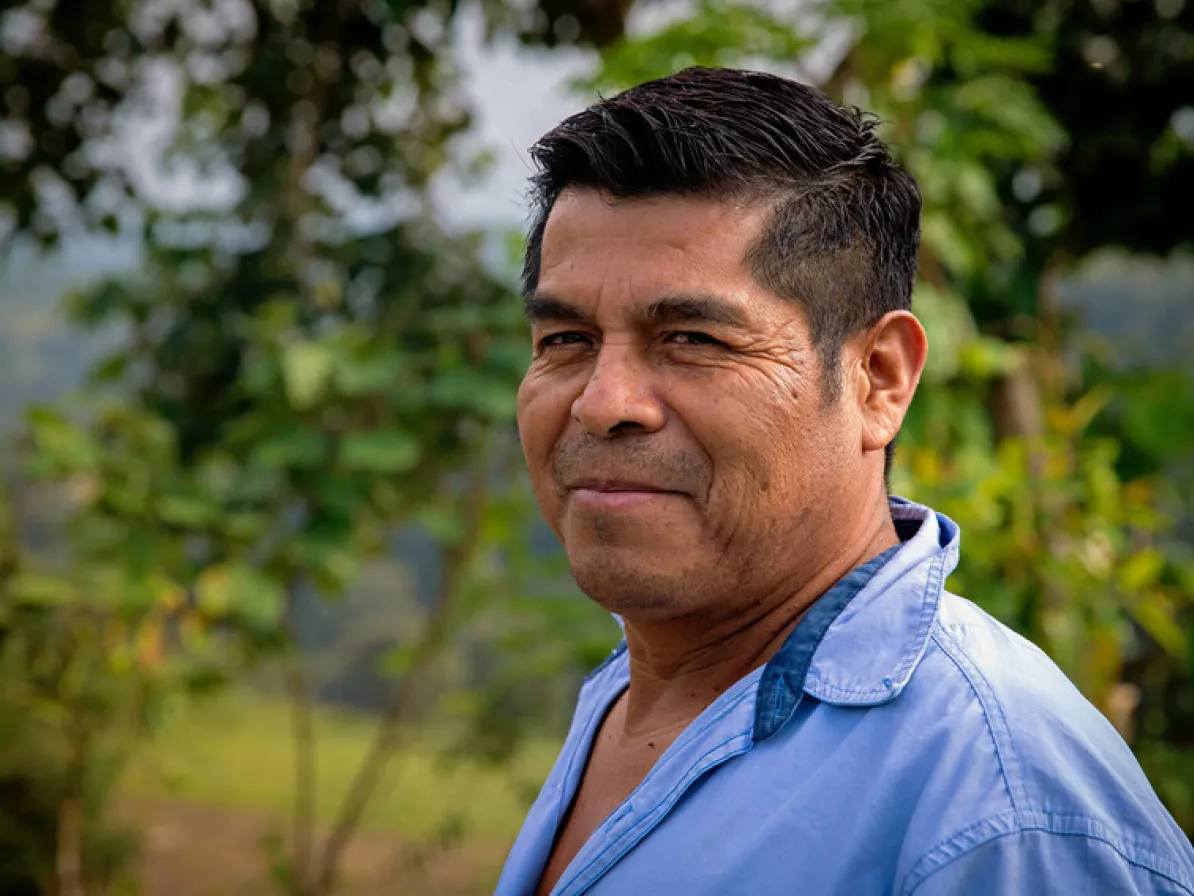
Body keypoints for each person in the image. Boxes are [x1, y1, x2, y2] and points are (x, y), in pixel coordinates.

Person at [493, 67, 1194, 896]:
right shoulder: (644, 681)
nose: (604, 403)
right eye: (566, 338)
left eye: (694, 339)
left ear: (878, 379)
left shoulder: (996, 802)